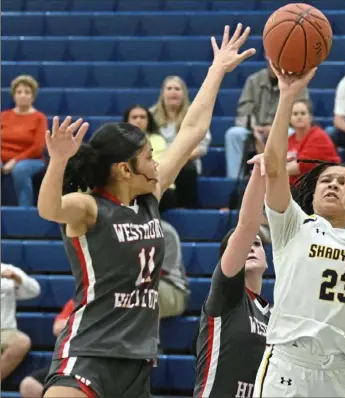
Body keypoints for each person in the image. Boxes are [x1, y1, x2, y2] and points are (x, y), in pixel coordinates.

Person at [37, 24, 255, 398]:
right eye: (148, 157)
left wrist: (216, 70)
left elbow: (191, 129)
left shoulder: (149, 195)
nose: (156, 164)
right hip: (88, 354)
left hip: (137, 359)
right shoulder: (90, 207)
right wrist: (57, 162)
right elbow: (49, 208)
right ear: (125, 169)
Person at [252, 63, 345, 398]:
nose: (333, 185)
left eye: (342, 181)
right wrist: (288, 95)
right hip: (290, 362)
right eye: (325, 181)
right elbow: (273, 169)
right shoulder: (294, 224)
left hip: (342, 371)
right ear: (311, 193)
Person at [194, 157, 269, 398]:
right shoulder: (227, 295)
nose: (250, 247)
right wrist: (261, 173)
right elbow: (247, 226)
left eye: (257, 244)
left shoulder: (272, 314)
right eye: (245, 244)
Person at [225, 58, 309, 179]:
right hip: (254, 129)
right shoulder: (253, 80)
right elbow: (243, 109)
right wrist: (253, 128)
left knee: (291, 133)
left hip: (283, 129)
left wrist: (277, 128)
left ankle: (283, 177)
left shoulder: (297, 82)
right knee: (233, 134)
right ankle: (234, 180)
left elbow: (301, 112)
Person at [150, 75, 212, 208]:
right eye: (169, 88)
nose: (173, 92)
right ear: (163, 93)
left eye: (177, 89)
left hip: (184, 162)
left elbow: (202, 146)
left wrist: (175, 158)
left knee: (186, 169)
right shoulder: (151, 115)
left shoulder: (193, 114)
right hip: (156, 162)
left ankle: (184, 208)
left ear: (184, 94)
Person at [1, 75, 48, 206]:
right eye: (19, 92)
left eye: (27, 92)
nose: (22, 95)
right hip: (3, 157)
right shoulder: (3, 116)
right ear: (14, 95)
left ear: (33, 96)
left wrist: (15, 160)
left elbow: (38, 147)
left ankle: (24, 210)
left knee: (20, 170)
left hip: (32, 160)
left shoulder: (39, 118)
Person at [123, 104, 177, 212]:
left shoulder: (158, 140)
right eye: (134, 117)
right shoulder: (120, 140)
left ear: (149, 120)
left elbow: (157, 166)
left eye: (142, 117)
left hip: (159, 185)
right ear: (127, 120)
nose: (138, 120)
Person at [19, 299, 74, 398]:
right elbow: (57, 328)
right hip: (69, 363)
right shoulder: (79, 301)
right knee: (30, 385)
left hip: (97, 364)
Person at [1, 262, 41, 381]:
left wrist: (16, 279)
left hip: (4, 330)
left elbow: (34, 290)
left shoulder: (7, 269)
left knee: (21, 342)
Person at [287, 99, 341, 185]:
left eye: (303, 113)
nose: (299, 117)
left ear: (310, 117)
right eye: (295, 114)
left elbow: (300, 166)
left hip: (323, 185)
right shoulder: (290, 140)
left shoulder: (318, 136)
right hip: (298, 187)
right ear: (289, 119)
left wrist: (275, 171)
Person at [157, 220, 190, 352]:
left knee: (146, 290)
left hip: (174, 289)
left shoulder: (165, 231)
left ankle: (151, 347)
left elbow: (156, 272)